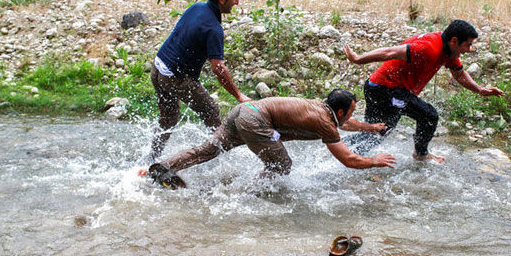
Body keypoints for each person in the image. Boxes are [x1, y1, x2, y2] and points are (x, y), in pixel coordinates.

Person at [149, 89, 396, 189]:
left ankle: (160, 168)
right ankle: (242, 196)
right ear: (340, 111)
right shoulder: (325, 122)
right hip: (255, 122)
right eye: (352, 111)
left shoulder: (324, 110)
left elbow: (345, 123)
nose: (352, 116)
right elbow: (348, 159)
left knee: (206, 151)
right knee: (282, 166)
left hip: (244, 112)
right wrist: (375, 160)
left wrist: (370, 127)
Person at [342, 19, 504, 163]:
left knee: (377, 132)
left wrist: (481, 90)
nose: (469, 49)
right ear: (454, 41)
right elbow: (390, 52)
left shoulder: (448, 51)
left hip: (379, 87)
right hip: (386, 89)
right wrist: (358, 59)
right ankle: (420, 154)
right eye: (467, 44)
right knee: (428, 115)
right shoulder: (429, 48)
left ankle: (340, 151)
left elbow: (460, 74)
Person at [148, 0, 252, 161]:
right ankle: (222, 159)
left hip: (158, 67)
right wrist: (239, 95)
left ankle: (151, 159)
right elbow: (218, 68)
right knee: (211, 111)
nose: (237, 2)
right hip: (174, 77)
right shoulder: (213, 28)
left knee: (168, 118)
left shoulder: (196, 7)